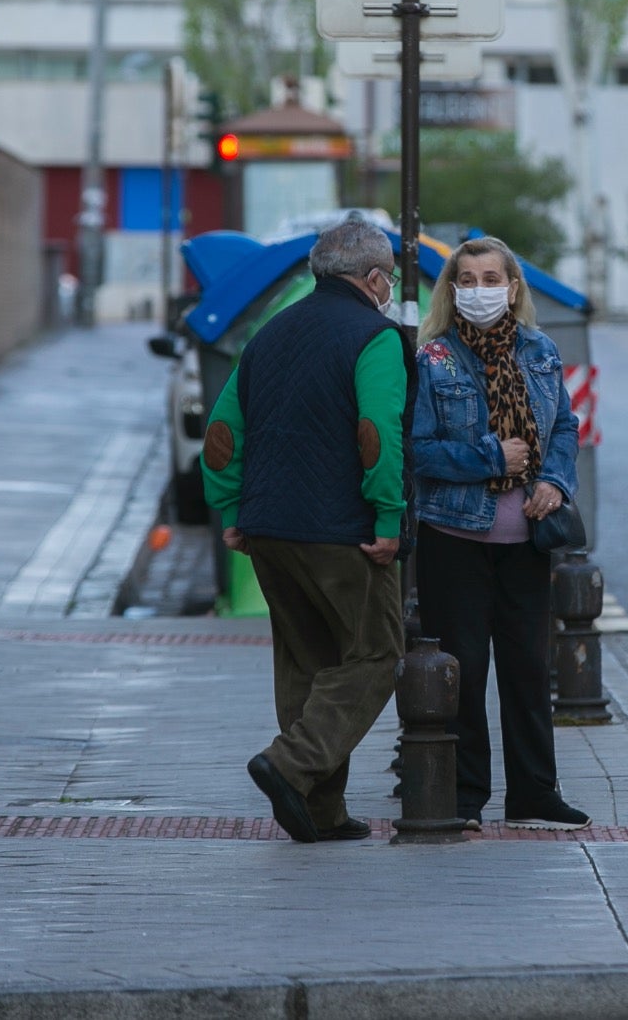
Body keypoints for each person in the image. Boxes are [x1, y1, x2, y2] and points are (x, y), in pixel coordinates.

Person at [200, 218, 414, 843]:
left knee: (306, 662)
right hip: (342, 531)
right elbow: (379, 434)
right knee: (376, 654)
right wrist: (388, 518)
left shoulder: (269, 335)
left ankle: (320, 812)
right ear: (374, 279)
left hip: (268, 527)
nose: (390, 289)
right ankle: (290, 765)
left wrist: (232, 508)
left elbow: (223, 432)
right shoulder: (376, 337)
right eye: (390, 280)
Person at [410, 236, 589, 832]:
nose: (480, 290)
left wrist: (556, 483)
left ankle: (535, 792)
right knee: (462, 673)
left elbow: (564, 425)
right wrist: (493, 458)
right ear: (452, 289)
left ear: (512, 288)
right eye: (468, 279)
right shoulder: (433, 358)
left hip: (526, 541)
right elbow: (419, 450)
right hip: (454, 538)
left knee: (528, 670)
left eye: (492, 279)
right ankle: (464, 797)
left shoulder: (539, 351)